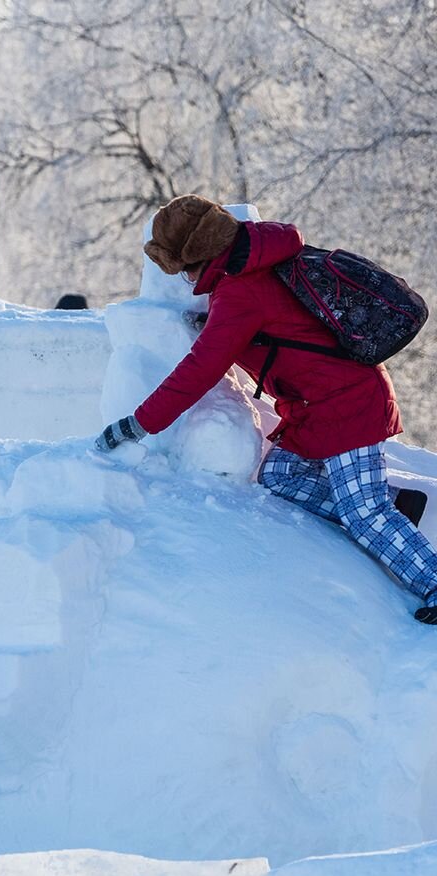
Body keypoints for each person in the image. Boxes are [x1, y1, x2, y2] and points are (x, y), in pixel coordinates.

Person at [94, 194, 437, 622]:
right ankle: (389, 508)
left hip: (345, 401)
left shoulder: (239, 291)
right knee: (281, 475)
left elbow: (198, 370)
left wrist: (138, 423)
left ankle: (429, 577)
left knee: (362, 511)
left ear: (200, 257)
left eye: (183, 270)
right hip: (317, 403)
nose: (184, 281)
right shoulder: (253, 261)